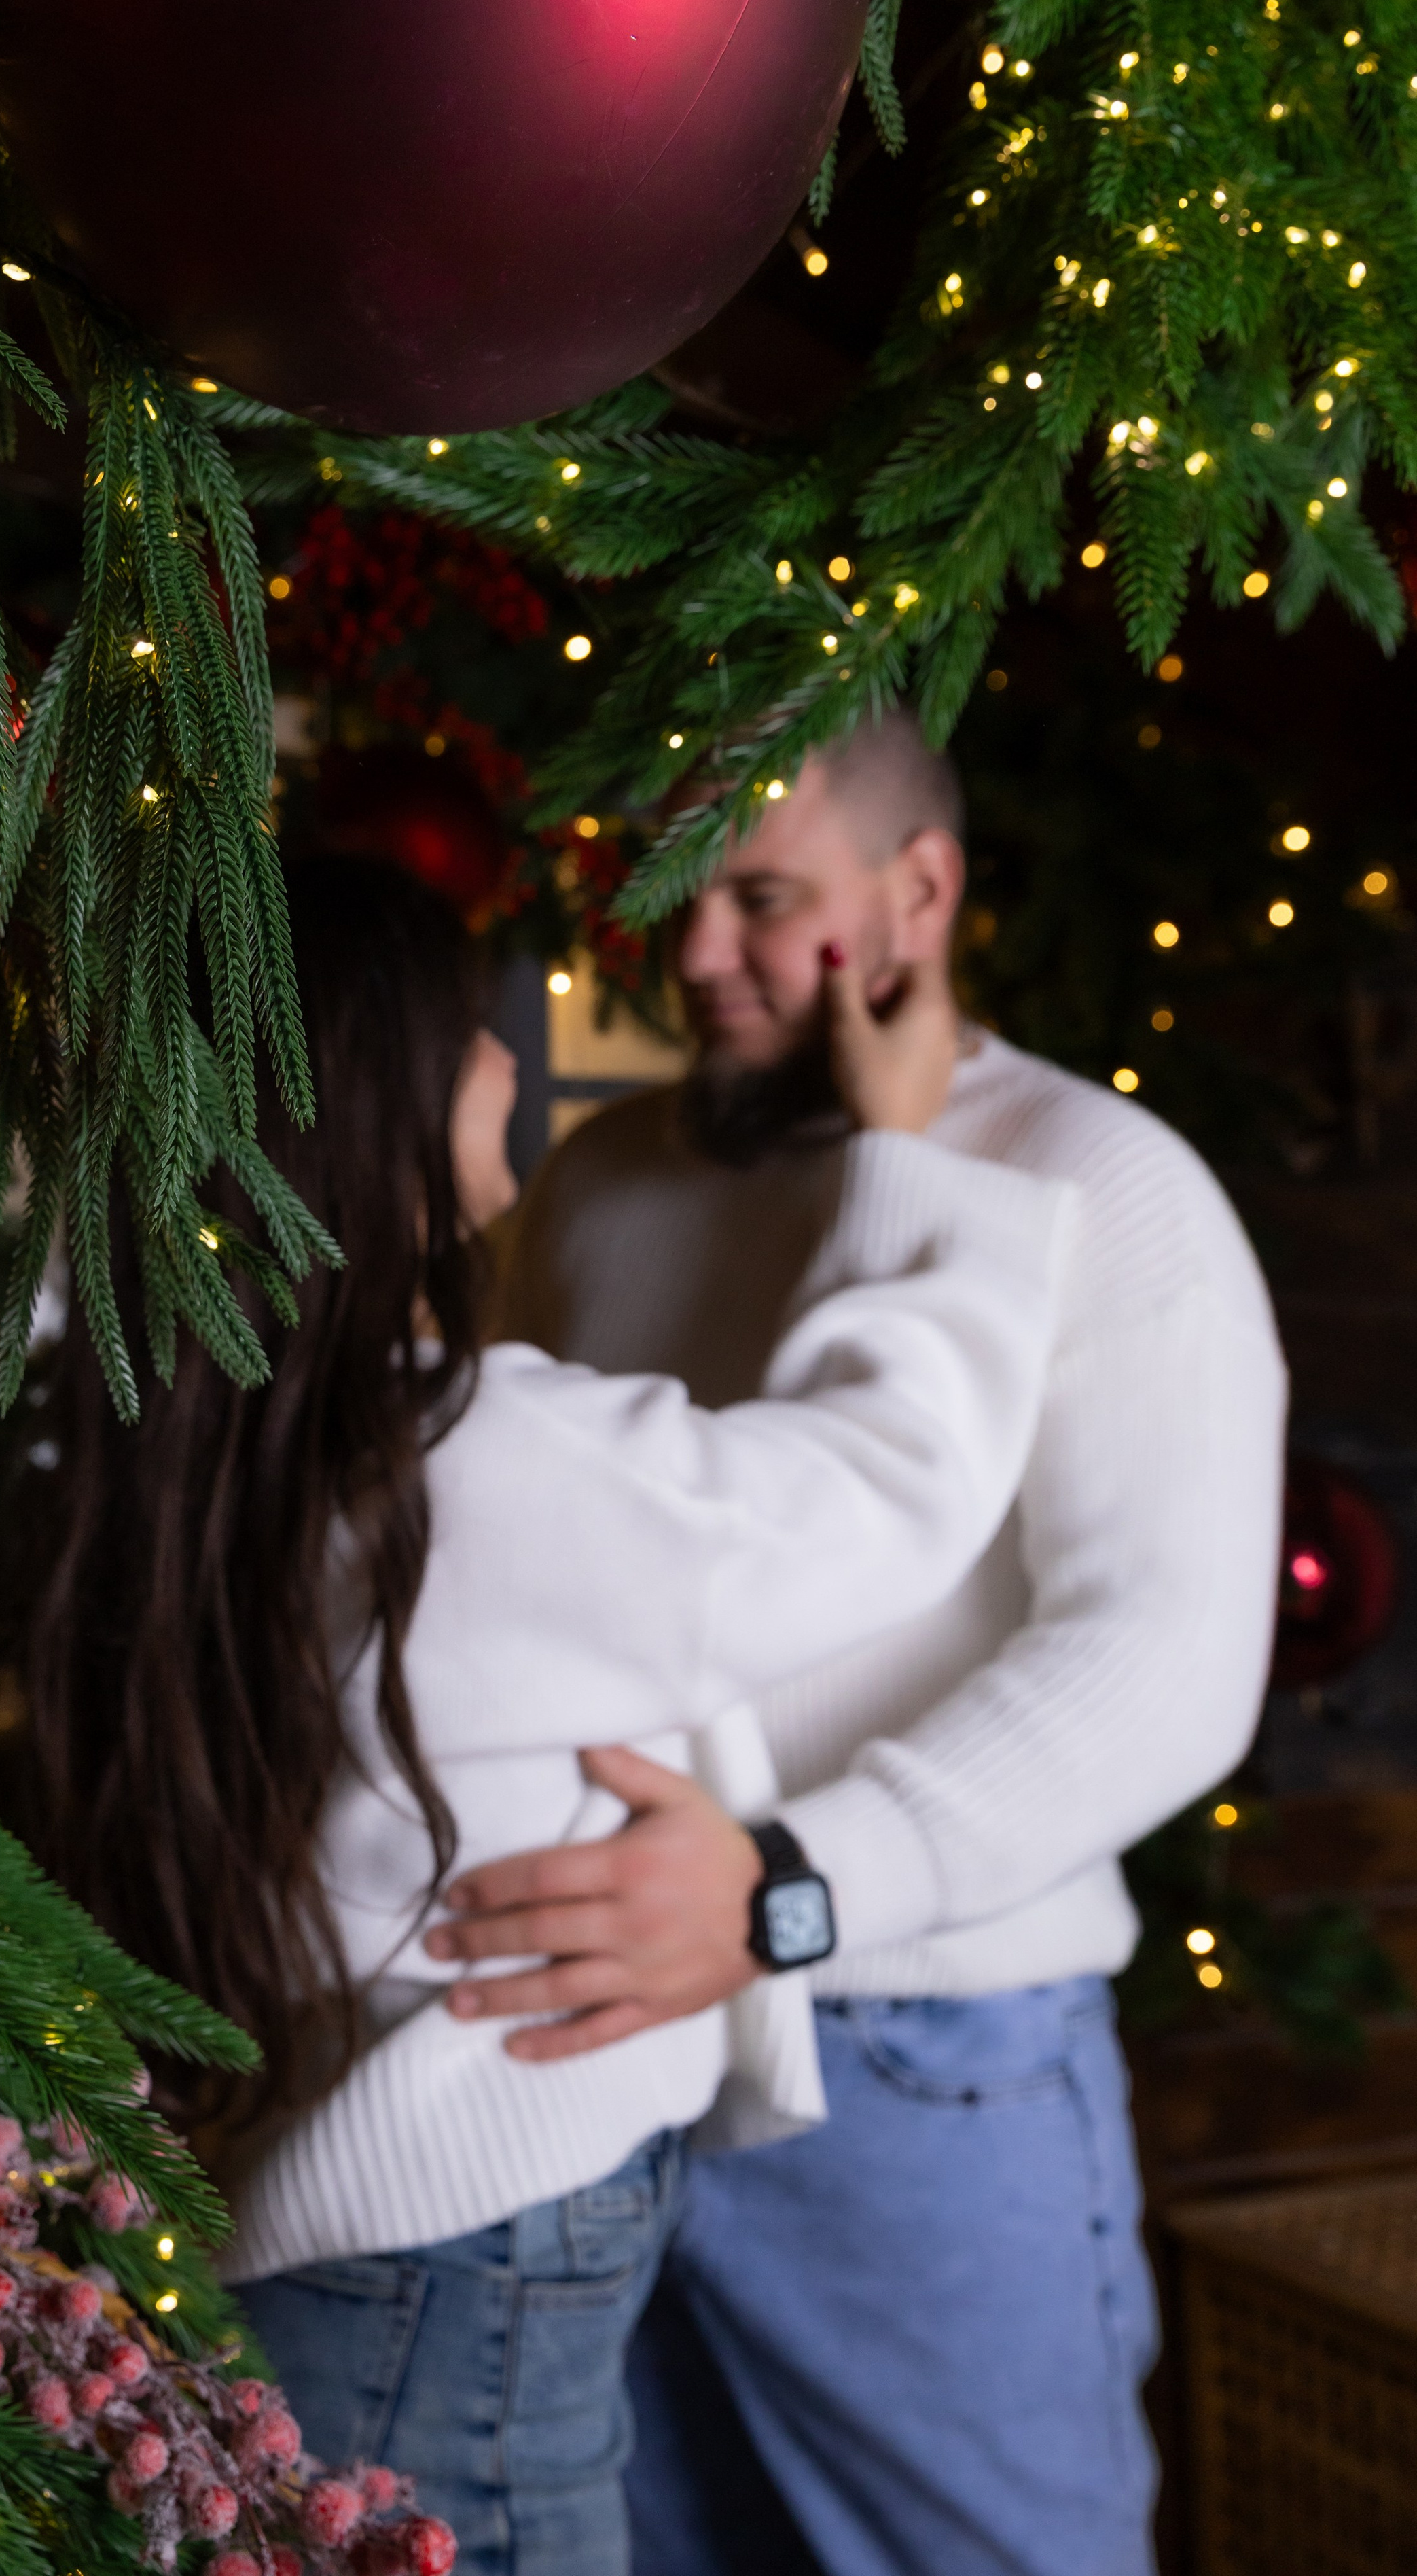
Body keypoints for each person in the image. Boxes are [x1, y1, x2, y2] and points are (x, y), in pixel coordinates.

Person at [25, 851, 1073, 2576]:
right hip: (464, 2253)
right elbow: (883, 1497)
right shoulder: (468, 1461)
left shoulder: (208, 1439)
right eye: (469, 1033)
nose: (512, 1058)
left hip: (349, 2233)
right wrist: (911, 1167)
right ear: (373, 1104)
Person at [431, 713, 1289, 2576]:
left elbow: (1172, 1663)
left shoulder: (1107, 1185)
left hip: (927, 2061)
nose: (700, 956)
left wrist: (784, 1892)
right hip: (608, 2055)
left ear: (919, 891)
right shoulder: (604, 1184)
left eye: (760, 897)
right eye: (679, 896)